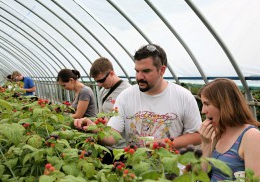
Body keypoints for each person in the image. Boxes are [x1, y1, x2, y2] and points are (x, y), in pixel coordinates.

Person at [74, 44, 202, 150]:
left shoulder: (183, 96)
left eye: (146, 71)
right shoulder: (126, 96)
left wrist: (164, 143)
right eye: (137, 71)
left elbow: (197, 136)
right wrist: (93, 127)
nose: (139, 76)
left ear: (162, 70)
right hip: (136, 172)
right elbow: (112, 137)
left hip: (172, 174)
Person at [193, 78, 260, 182]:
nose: (203, 111)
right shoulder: (216, 132)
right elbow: (199, 175)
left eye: (206, 104)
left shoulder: (250, 136)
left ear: (224, 104)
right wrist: (205, 144)